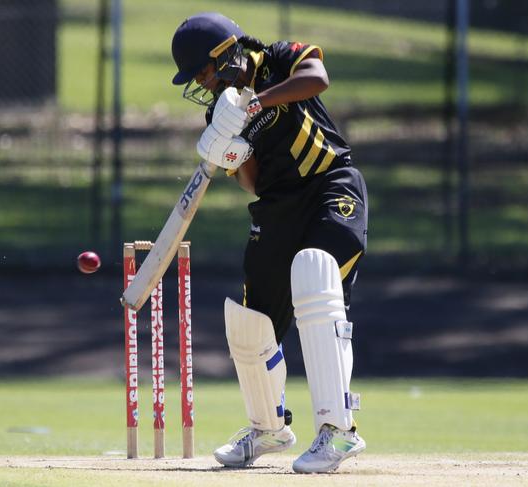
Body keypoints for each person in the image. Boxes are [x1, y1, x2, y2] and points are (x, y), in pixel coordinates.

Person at [171, 12, 368, 473]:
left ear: (226, 53)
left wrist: (256, 104)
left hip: (330, 186)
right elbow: (254, 183)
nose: (203, 84)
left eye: (203, 72)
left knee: (314, 271)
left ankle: (338, 433)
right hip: (277, 206)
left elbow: (317, 78)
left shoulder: (279, 59)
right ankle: (268, 428)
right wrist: (231, 153)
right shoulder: (220, 110)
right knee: (249, 321)